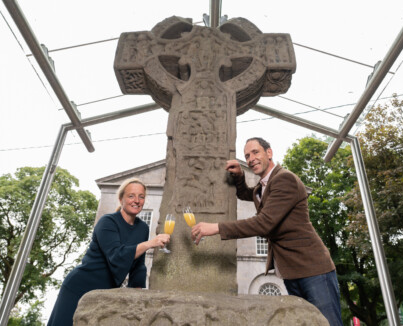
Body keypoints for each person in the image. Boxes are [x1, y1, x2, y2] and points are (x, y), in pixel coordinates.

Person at [191, 137, 343, 326]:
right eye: (247, 155)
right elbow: (247, 194)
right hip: (291, 270)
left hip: (313, 268)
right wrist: (239, 176)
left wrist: (216, 227)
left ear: (269, 153)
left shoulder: (284, 179)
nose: (251, 158)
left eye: (255, 152)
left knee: (328, 323)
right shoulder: (263, 186)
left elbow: (264, 223)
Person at [48, 178, 170, 326]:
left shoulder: (143, 228)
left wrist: (137, 296)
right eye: (131, 196)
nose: (137, 200)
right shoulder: (107, 222)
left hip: (106, 292)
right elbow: (116, 256)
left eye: (141, 196)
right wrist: (151, 243)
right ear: (121, 199)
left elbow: (138, 265)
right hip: (80, 286)